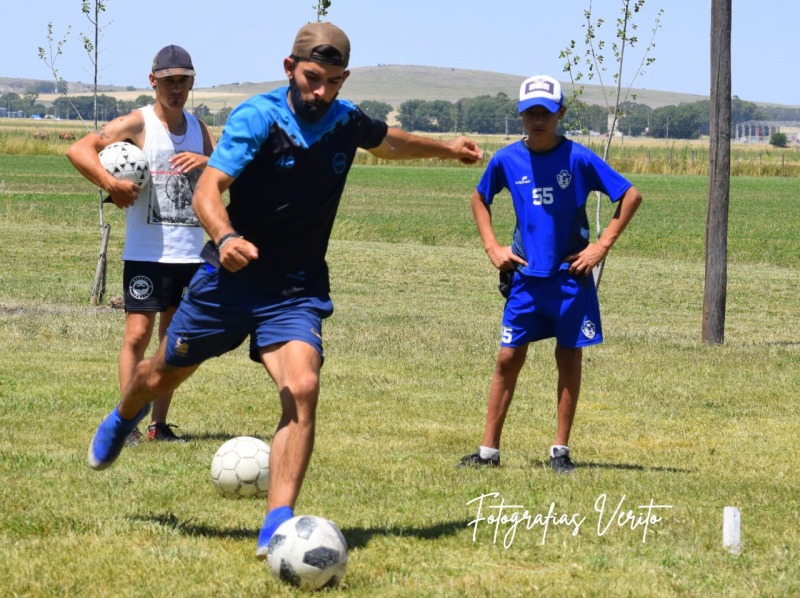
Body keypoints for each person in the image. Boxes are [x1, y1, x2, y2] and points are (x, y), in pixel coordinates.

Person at [86, 22, 482, 557]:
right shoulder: (259, 116)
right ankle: (121, 417)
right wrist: (223, 235)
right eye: (313, 78)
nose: (321, 92)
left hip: (295, 290)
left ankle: (277, 524)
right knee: (162, 372)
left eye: (333, 81)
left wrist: (446, 148)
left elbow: (389, 143)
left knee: (302, 386)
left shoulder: (345, 121)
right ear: (289, 68)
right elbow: (208, 186)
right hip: (229, 280)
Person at [458, 74, 641, 473]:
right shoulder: (506, 159)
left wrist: (601, 246)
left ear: (560, 112)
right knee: (507, 357)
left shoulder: (578, 157)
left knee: (568, 357)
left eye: (545, 112)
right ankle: (488, 451)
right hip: (525, 279)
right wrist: (493, 247)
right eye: (530, 113)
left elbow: (630, 195)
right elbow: (478, 197)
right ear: (521, 116)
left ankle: (560, 451)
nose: (537, 120)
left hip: (568, 278)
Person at [68, 45, 215, 443]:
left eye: (183, 81)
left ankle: (158, 426)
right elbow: (78, 149)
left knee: (174, 343)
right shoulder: (138, 122)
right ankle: (127, 422)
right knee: (136, 335)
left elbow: (223, 179)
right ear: (153, 81)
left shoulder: (201, 130)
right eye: (168, 81)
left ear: (191, 82)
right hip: (146, 253)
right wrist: (111, 185)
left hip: (190, 253)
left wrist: (208, 164)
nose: (176, 88)